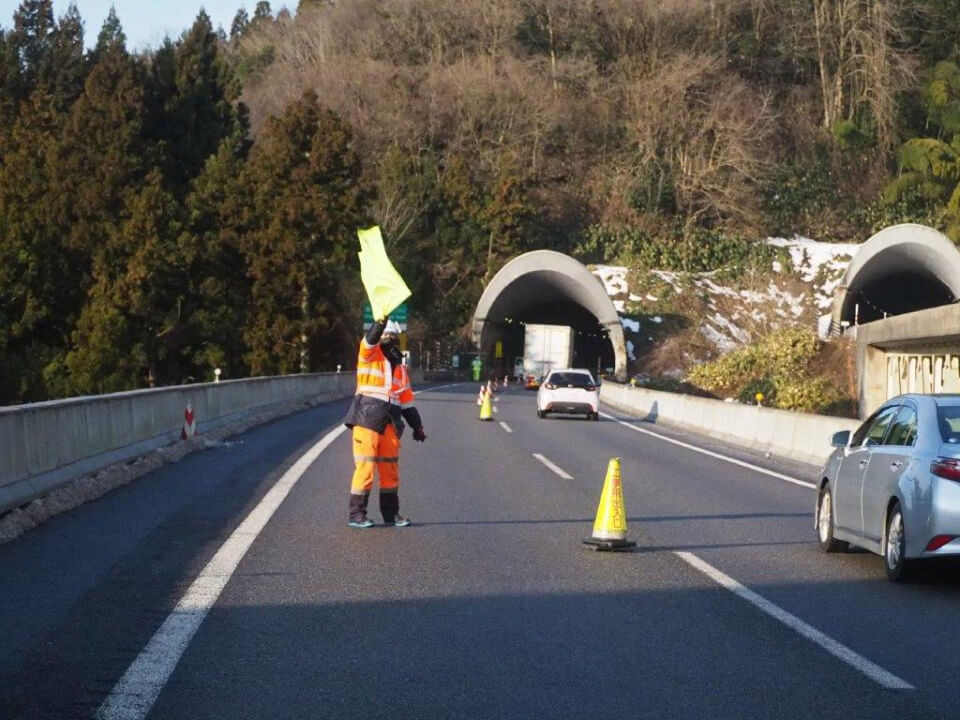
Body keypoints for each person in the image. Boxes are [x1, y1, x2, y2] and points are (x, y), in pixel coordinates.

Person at [343, 318, 426, 528]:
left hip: (390, 421)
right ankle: (357, 514)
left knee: (390, 470)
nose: (390, 339)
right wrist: (381, 320)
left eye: (393, 336)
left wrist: (417, 426)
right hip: (367, 418)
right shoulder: (369, 355)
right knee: (366, 467)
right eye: (386, 335)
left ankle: (391, 514)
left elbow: (406, 402)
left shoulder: (399, 367)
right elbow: (369, 340)